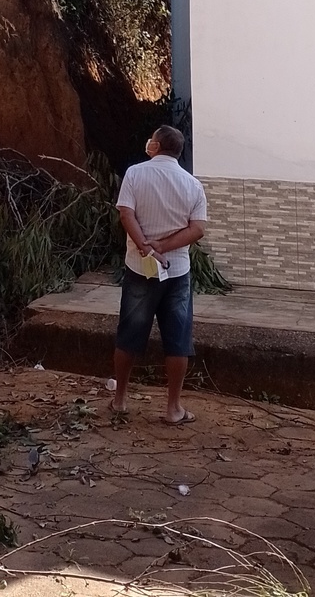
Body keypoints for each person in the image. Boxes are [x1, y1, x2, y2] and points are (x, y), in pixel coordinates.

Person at [111, 124, 207, 424]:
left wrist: (145, 246)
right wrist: (162, 247)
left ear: (156, 146)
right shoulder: (193, 185)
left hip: (140, 268)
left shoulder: (135, 173)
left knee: (129, 334)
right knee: (178, 339)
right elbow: (197, 229)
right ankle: (173, 408)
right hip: (176, 271)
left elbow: (125, 213)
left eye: (151, 140)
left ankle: (120, 399)